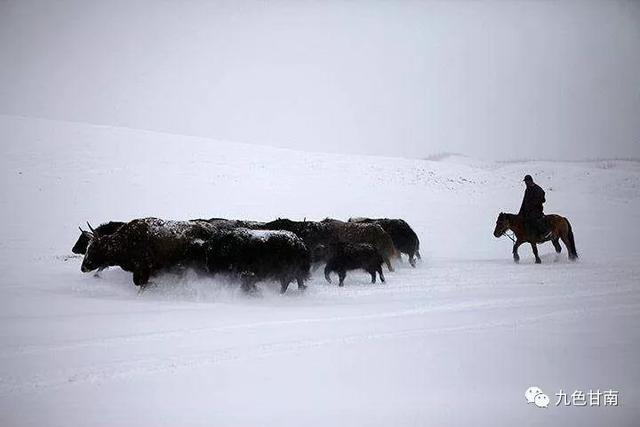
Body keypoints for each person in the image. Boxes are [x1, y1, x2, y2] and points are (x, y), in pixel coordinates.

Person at [518, 174, 551, 239]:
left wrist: (533, 204)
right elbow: (524, 201)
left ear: (530, 181)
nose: (526, 183)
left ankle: (546, 232)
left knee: (534, 219)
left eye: (526, 181)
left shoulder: (537, 189)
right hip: (528, 210)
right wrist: (521, 212)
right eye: (525, 182)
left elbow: (542, 199)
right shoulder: (527, 189)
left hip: (536, 210)